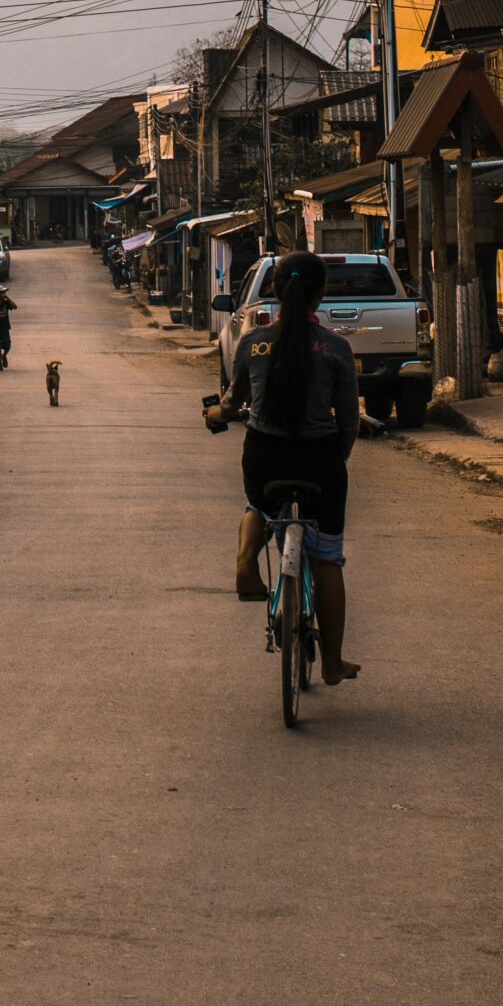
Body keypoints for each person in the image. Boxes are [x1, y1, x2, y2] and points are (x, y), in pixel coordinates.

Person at [209, 251, 360, 684]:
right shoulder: (337, 348)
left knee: (257, 505)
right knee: (327, 557)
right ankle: (331, 662)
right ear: (321, 294)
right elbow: (348, 420)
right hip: (320, 461)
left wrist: (219, 414)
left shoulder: (253, 342)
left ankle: (245, 560)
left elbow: (233, 401)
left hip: (265, 458)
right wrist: (337, 460)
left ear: (274, 291)